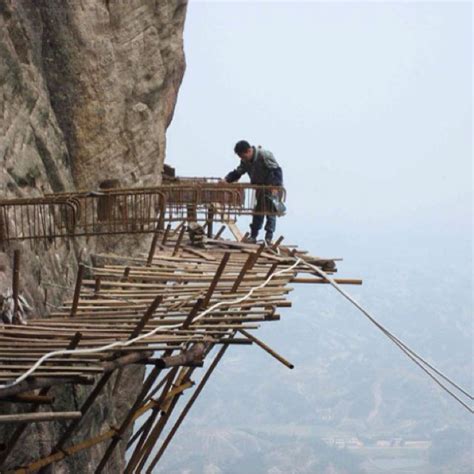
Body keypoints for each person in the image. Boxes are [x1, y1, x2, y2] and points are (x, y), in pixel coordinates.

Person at [224, 140, 283, 244]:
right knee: (258, 211)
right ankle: (253, 236)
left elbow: (277, 170)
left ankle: (269, 237)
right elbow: (238, 172)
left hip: (271, 187)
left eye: (243, 156)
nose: (243, 159)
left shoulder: (264, 155)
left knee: (271, 212)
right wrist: (226, 180)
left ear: (249, 151)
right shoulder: (245, 161)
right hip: (260, 188)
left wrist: (275, 186)